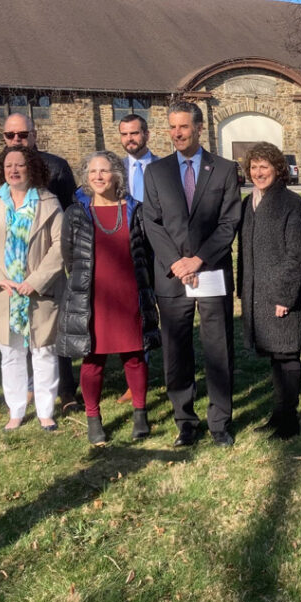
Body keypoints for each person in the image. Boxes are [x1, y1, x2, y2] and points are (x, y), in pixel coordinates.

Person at [142, 101, 241, 447]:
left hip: (210, 271)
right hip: (171, 276)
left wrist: (198, 258)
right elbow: (151, 223)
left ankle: (219, 421)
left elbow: (230, 222)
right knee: (176, 350)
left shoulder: (225, 169)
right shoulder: (156, 172)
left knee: (218, 347)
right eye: (171, 127)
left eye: (183, 127)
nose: (177, 134)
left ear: (199, 128)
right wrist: (175, 262)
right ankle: (185, 420)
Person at [56, 151, 161, 445]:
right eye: (93, 172)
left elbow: (147, 253)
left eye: (104, 171)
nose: (99, 176)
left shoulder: (135, 210)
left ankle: (140, 414)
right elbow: (69, 256)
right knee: (93, 360)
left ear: (117, 175)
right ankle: (93, 417)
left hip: (130, 294)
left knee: (135, 357)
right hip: (93, 299)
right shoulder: (76, 213)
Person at [0, 113, 80, 413]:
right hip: (8, 269)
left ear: (34, 134)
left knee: (50, 331)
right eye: (10, 135)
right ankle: (27, 391)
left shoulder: (57, 166)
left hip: (45, 262)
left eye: (22, 134)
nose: (17, 140)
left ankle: (66, 390)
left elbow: (69, 215)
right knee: (15, 336)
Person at [0, 145, 66, 431]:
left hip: (38, 291)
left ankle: (45, 411)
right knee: (10, 353)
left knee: (44, 351)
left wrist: (35, 280)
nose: (13, 170)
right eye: (8, 165)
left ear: (31, 168)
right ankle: (16, 410)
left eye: (20, 164)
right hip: (4, 291)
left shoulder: (48, 202)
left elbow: (61, 245)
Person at [236, 142, 301, 439]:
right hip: (257, 293)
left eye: (264, 166)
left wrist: (285, 296)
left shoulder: (291, 204)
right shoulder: (249, 202)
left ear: (278, 169)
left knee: (287, 355)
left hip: (280, 295)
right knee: (273, 357)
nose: (258, 172)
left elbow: (297, 255)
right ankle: (278, 414)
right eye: (253, 167)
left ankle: (290, 420)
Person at [115, 113, 159, 405]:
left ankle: (175, 366)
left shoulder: (165, 167)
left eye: (135, 133)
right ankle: (136, 378)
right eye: (124, 134)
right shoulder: (113, 170)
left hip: (161, 249)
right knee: (132, 314)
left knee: (167, 311)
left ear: (146, 134)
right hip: (127, 250)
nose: (130, 139)